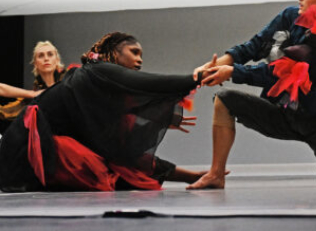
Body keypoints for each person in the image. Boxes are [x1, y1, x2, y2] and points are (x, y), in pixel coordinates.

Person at [188, 0, 316, 190]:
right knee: (224, 99)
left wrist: (231, 72)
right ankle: (216, 174)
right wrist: (211, 67)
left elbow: (280, 73)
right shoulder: (289, 16)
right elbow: (255, 45)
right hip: (282, 113)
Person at [0, 32, 213, 192]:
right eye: (134, 52)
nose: (139, 59)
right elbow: (148, 83)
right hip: (25, 148)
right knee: (105, 174)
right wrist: (196, 78)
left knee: (115, 166)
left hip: (27, 151)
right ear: (114, 52)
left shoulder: (99, 87)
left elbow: (128, 155)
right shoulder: (98, 69)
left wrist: (192, 177)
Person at [0, 41, 66, 133]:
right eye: (41, 56)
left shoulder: (68, 82)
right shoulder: (34, 99)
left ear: (57, 60)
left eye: (50, 54)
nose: (46, 58)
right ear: (35, 63)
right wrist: (32, 94)